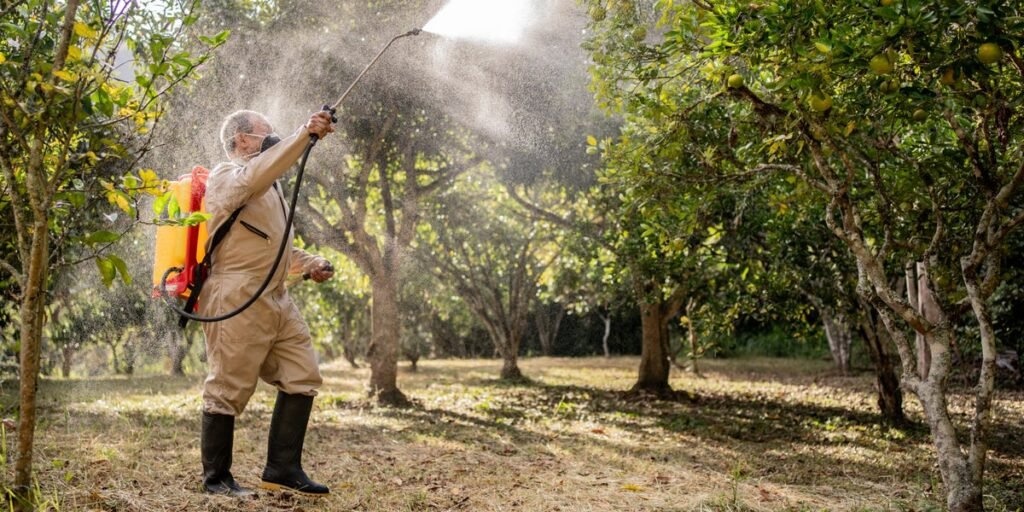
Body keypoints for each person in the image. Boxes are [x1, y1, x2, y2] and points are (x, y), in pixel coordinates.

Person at [198, 109, 335, 497]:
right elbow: (252, 180)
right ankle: (217, 480)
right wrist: (301, 135)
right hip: (237, 293)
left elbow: (276, 249)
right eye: (265, 132)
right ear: (241, 139)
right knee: (228, 387)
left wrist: (312, 264)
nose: (272, 137)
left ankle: (282, 469)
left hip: (277, 297)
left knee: (302, 375)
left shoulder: (272, 190)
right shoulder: (226, 176)